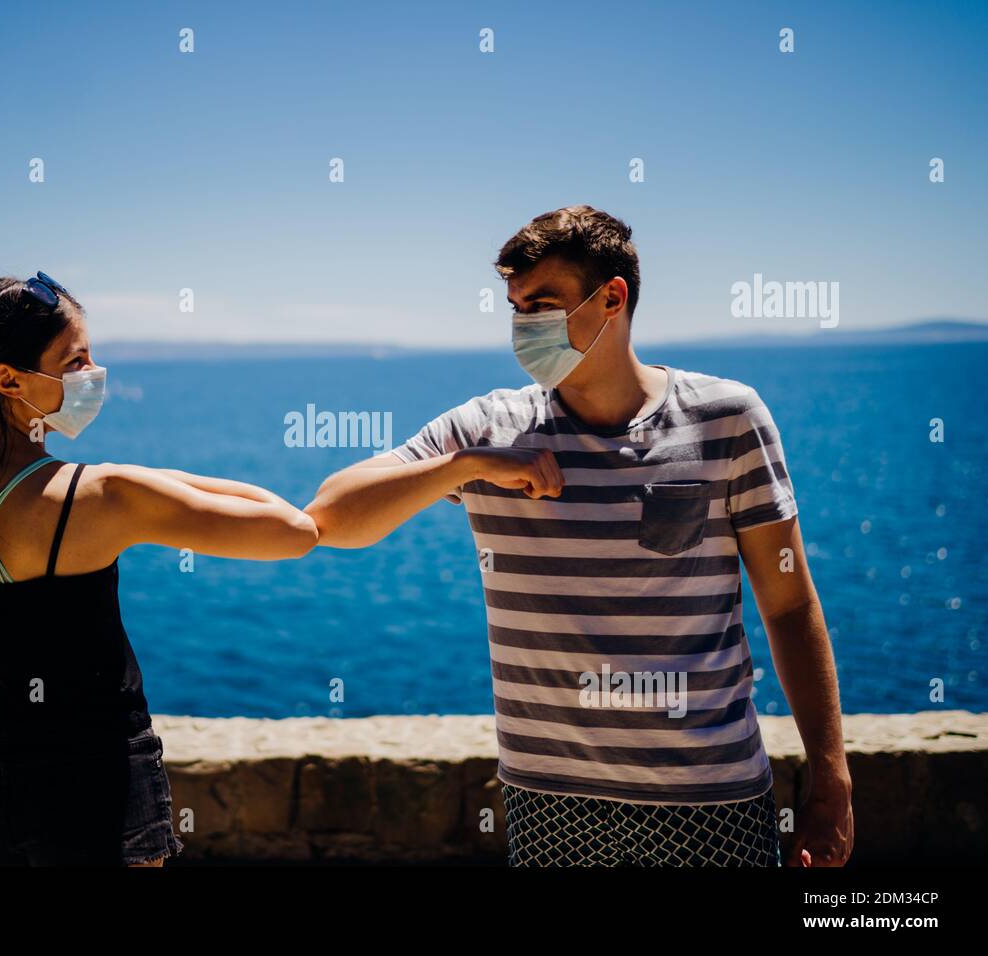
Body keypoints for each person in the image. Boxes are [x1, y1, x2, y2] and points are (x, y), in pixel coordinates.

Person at [305, 206, 854, 867]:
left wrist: (832, 778)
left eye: (541, 304)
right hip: (548, 805)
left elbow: (789, 607)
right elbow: (331, 516)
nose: (523, 327)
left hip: (710, 801)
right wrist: (468, 466)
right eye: (515, 308)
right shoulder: (489, 429)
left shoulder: (727, 420)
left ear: (612, 298)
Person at [0, 272, 317, 866]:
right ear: (7, 380)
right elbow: (293, 530)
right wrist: (148, 483)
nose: (92, 375)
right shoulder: (103, 496)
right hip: (102, 791)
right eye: (75, 359)